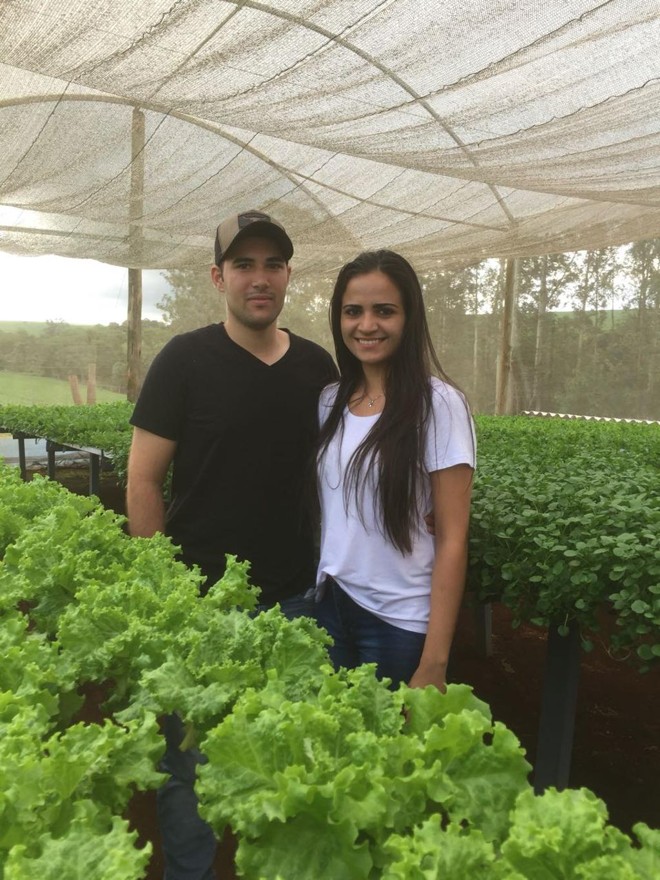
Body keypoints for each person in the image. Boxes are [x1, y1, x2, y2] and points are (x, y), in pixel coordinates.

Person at [126, 209, 337, 880]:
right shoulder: (184, 361)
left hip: (295, 604)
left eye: (272, 264)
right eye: (243, 264)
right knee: (189, 769)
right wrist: (169, 594)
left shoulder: (317, 367)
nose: (259, 278)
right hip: (200, 611)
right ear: (218, 277)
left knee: (286, 762)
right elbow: (142, 479)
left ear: (288, 276)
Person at [314, 249, 475, 692]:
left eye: (384, 311)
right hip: (330, 606)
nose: (367, 325)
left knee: (388, 757)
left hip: (397, 624)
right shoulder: (329, 401)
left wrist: (435, 661)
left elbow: (453, 537)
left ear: (409, 318)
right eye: (353, 312)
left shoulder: (438, 405)